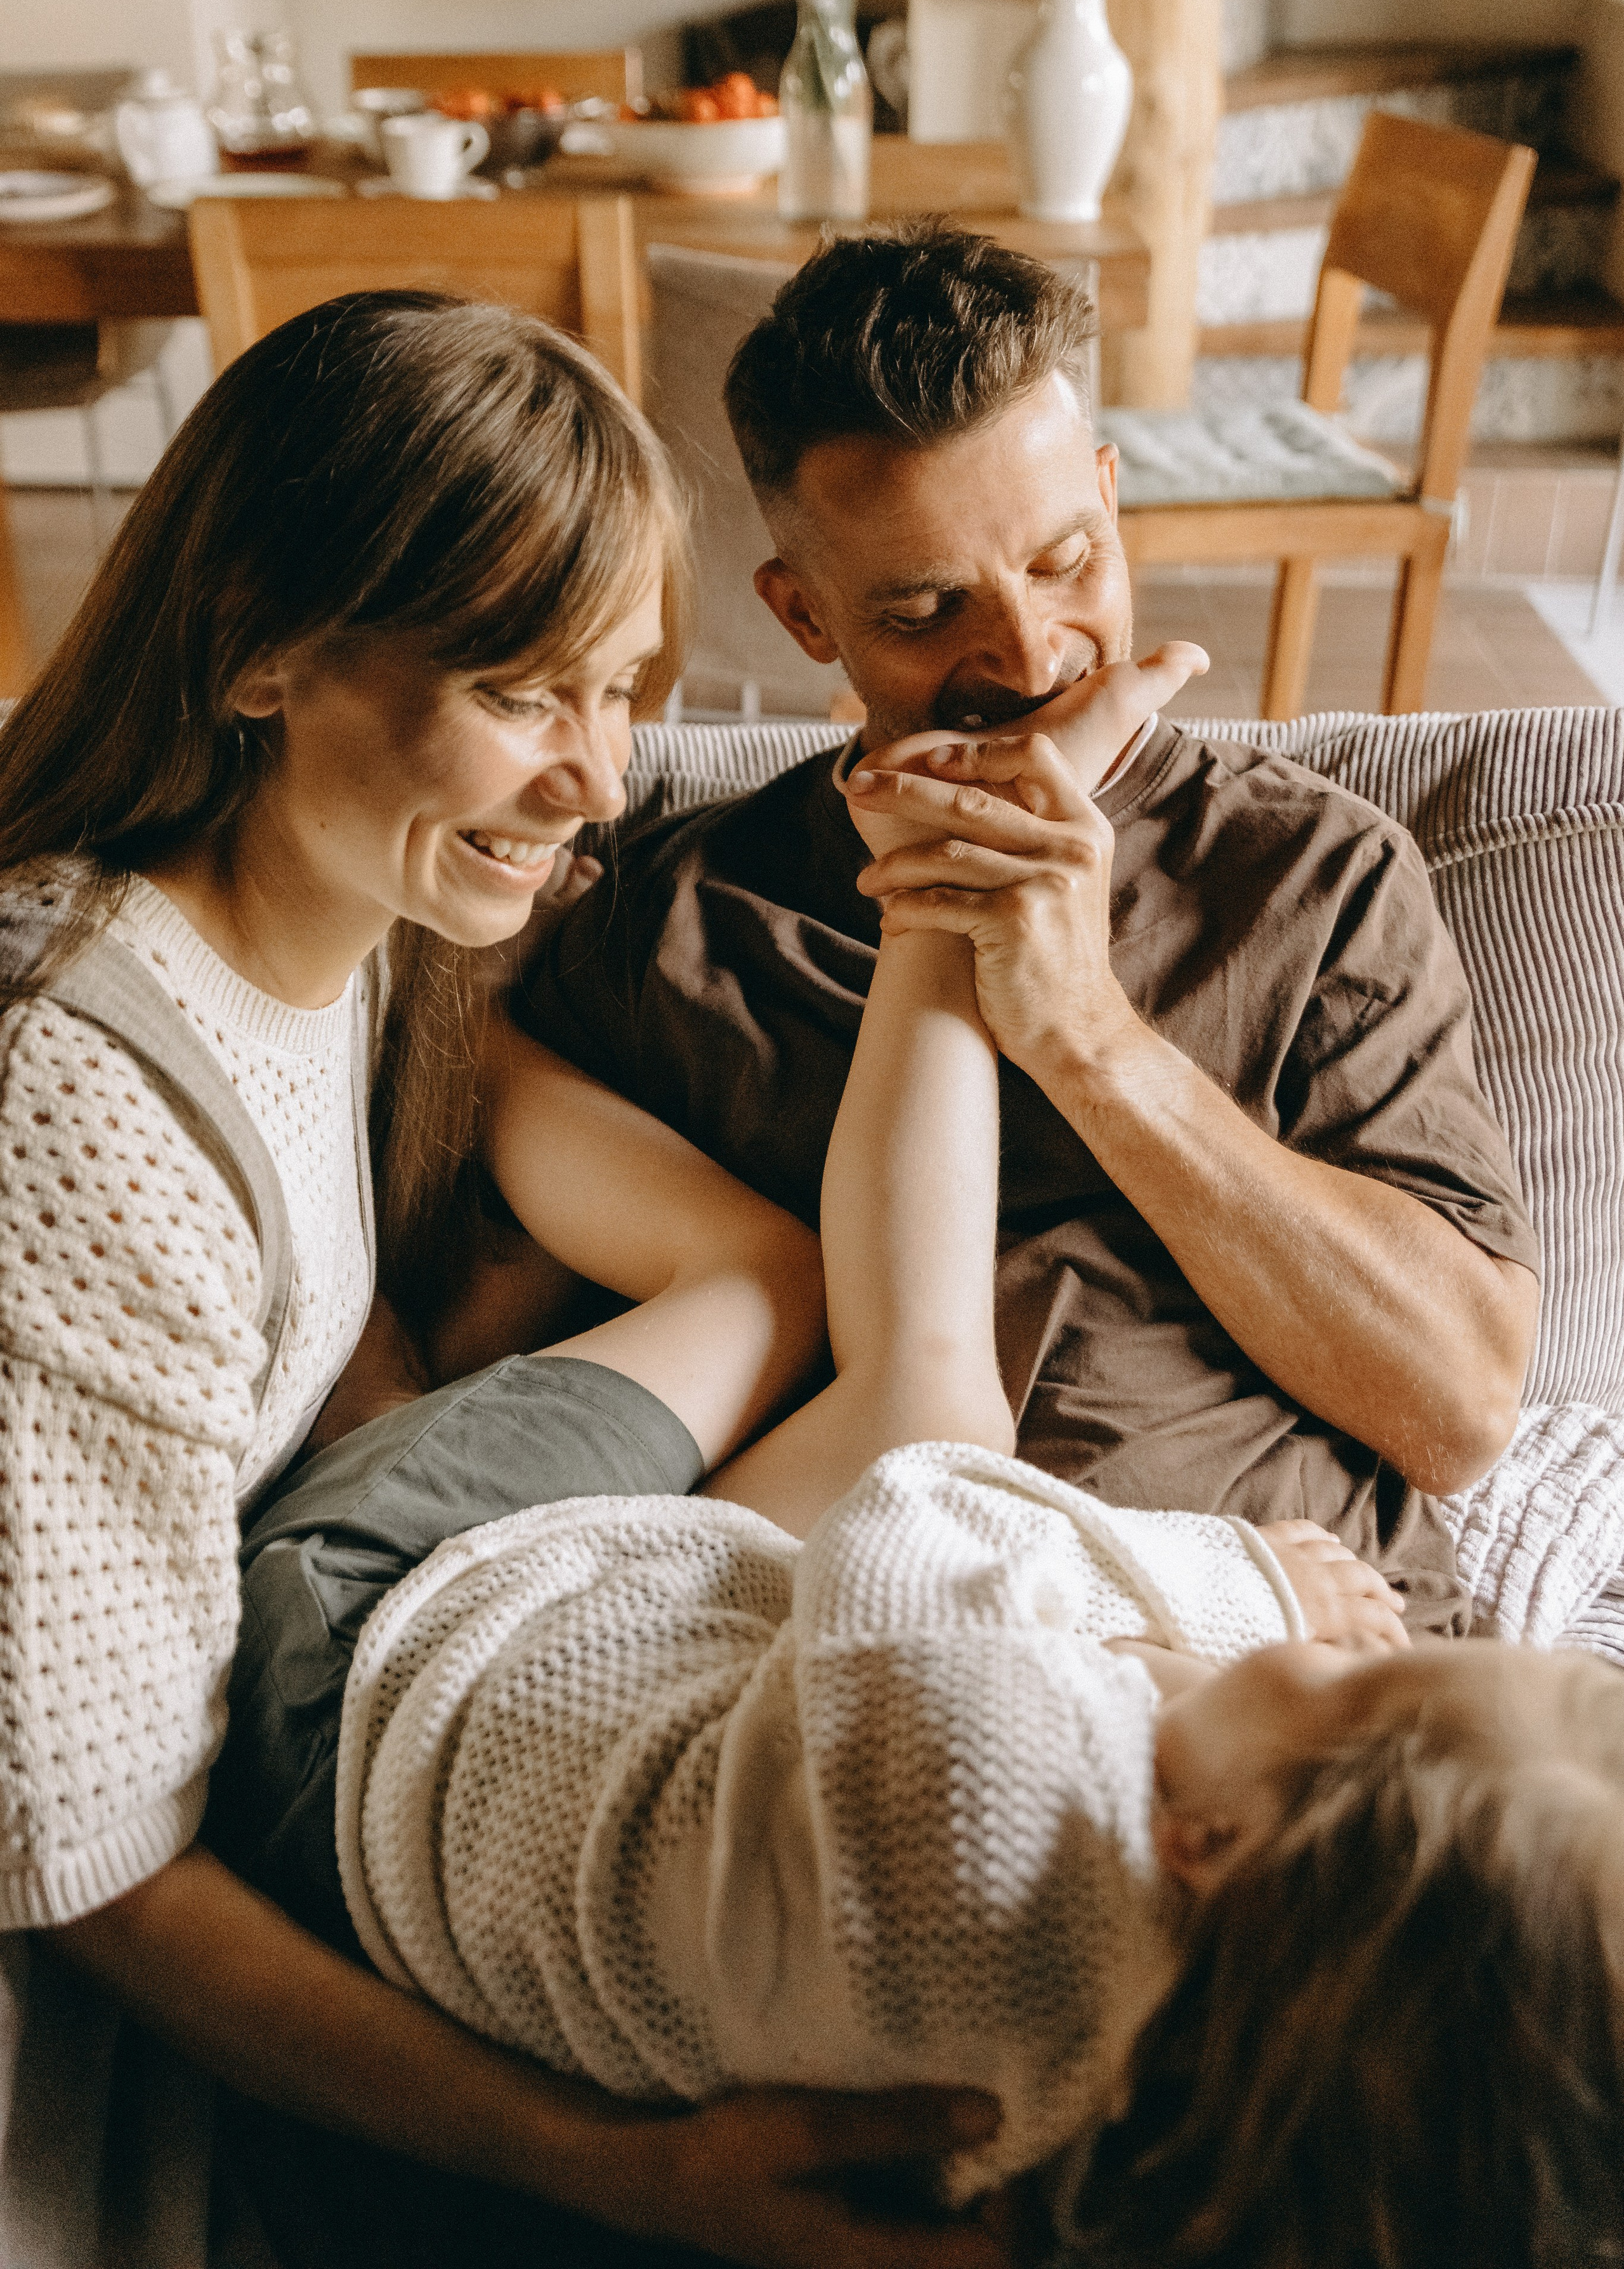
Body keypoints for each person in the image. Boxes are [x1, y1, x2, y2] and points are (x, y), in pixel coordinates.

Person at [236, 652, 1624, 2269]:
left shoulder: (991, 1770)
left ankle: (820, 922)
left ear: (1211, 1845)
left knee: (882, 1368)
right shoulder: (1179, 2112)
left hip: (367, 1665)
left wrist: (1232, 1581)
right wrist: (1227, 1672)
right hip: (624, 1746)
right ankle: (919, 898)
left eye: (1347, 1690)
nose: (1333, 1645)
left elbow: (923, 1513)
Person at [0, 289, 1005, 2269]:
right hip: (111, 1996)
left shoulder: (368, 925)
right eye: (530, 694)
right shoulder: (70, 1096)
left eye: (625, 692)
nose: (603, 787)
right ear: (267, 648)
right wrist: (620, 2172)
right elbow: (100, 1872)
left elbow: (769, 1272)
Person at [504, 221, 1542, 1623]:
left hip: (1294, 1670)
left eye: (1066, 562)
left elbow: (1457, 1410)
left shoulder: (1306, 875)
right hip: (859, 1653)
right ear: (803, 616)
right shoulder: (677, 919)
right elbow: (500, 1382)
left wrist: (1087, 1039)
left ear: (1110, 499)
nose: (1028, 655)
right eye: (929, 610)